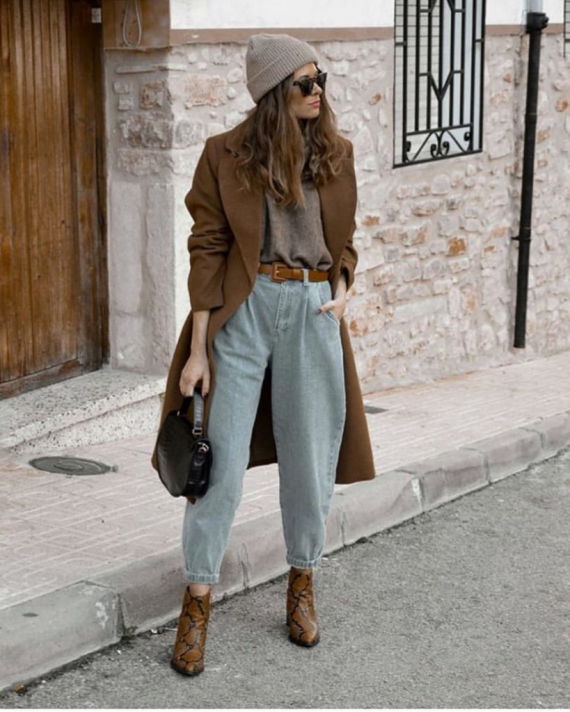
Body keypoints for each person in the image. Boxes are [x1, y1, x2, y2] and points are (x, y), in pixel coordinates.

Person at [156, 32, 376, 677]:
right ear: (274, 93)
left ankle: (302, 582)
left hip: (312, 312)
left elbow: (345, 242)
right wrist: (199, 350)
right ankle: (197, 601)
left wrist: (341, 289)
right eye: (304, 83)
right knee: (217, 463)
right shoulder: (224, 155)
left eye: (320, 79)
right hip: (245, 312)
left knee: (309, 461)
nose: (317, 92)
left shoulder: (336, 154)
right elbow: (208, 247)